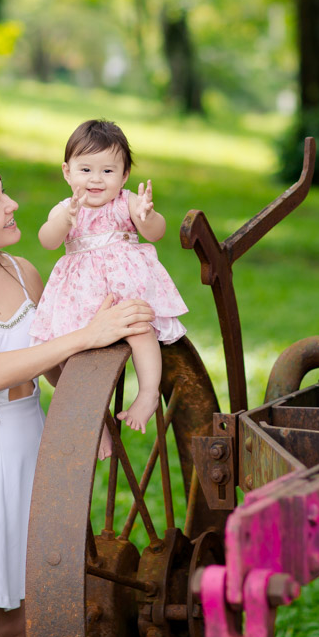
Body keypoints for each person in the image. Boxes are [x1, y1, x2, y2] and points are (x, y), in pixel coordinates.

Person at [0, 156, 154, 637]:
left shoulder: (24, 273)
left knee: (25, 623)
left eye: (5, 194)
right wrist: (87, 335)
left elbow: (49, 364)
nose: (14, 205)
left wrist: (87, 416)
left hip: (32, 453)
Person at [30, 119, 188, 436]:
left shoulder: (126, 202)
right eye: (85, 170)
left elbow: (155, 233)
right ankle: (95, 424)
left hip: (124, 294)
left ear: (124, 175)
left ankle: (147, 395)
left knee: (140, 330)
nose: (96, 180)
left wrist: (147, 215)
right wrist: (64, 221)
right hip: (82, 298)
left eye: (107, 171)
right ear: (67, 172)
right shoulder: (65, 208)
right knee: (70, 354)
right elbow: (47, 240)